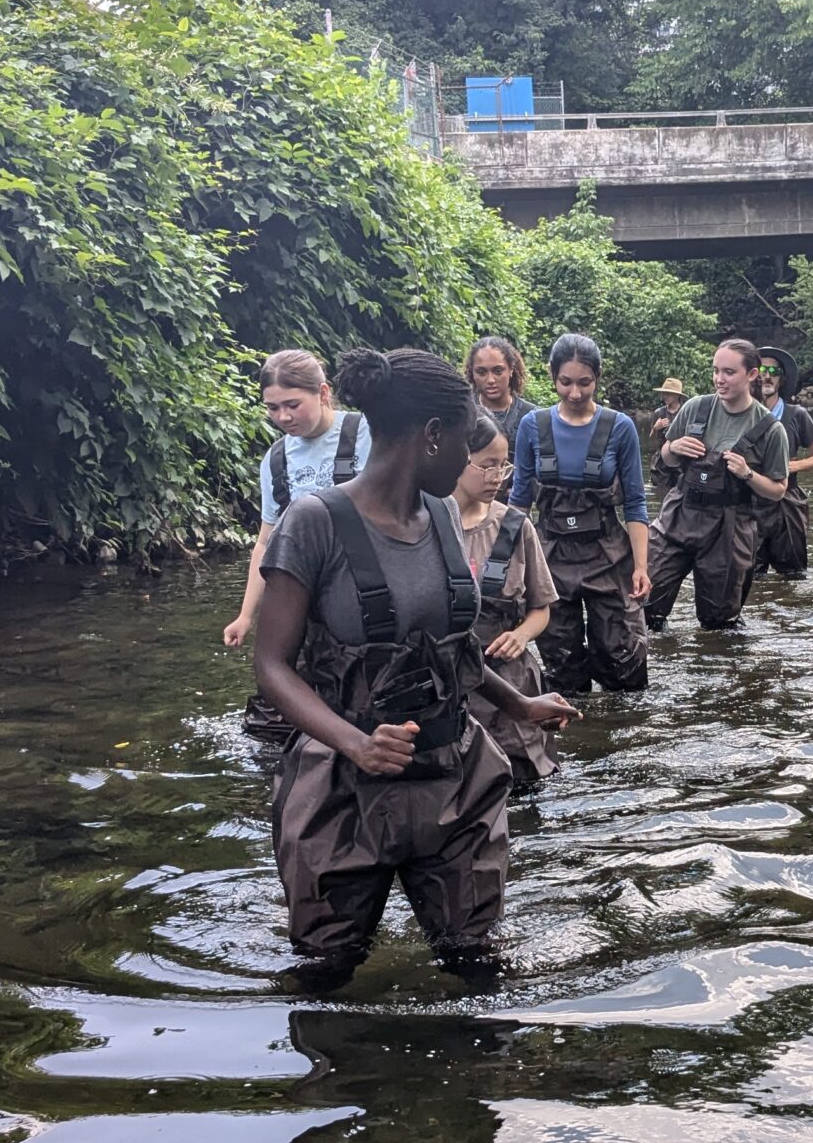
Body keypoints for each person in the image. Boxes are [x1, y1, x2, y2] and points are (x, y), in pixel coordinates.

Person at [252, 348, 577, 988]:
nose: (468, 461)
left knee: (479, 969)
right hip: (342, 791)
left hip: (456, 778)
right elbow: (271, 666)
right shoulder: (312, 523)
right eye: (462, 442)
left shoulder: (443, 516)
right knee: (325, 977)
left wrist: (520, 708)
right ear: (432, 436)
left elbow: (448, 648)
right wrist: (355, 743)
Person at [227, 350, 374, 747]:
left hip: (366, 583)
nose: (283, 417)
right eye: (273, 408)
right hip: (305, 591)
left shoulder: (367, 433)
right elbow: (266, 542)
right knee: (280, 708)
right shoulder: (275, 459)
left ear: (323, 392)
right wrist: (246, 616)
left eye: (293, 405)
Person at [511, 334, 653, 695]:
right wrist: (509, 563)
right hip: (549, 557)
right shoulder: (532, 426)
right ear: (552, 376)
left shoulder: (620, 427)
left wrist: (641, 567)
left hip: (608, 554)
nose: (575, 393)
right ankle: (576, 734)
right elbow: (519, 501)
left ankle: (624, 737)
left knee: (621, 658)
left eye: (584, 382)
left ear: (598, 378)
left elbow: (635, 502)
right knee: (561, 664)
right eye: (566, 382)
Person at [648, 337, 790, 629]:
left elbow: (778, 490)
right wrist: (673, 448)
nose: (719, 379)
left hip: (729, 528)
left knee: (718, 625)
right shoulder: (695, 408)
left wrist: (747, 474)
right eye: (715, 371)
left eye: (728, 372)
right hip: (678, 516)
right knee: (644, 605)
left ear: (752, 374)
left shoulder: (771, 429)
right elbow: (667, 459)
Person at [455, 411, 561, 793]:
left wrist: (521, 635)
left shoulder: (515, 526)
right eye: (486, 466)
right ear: (455, 459)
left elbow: (541, 608)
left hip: (511, 676)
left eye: (503, 466)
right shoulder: (424, 524)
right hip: (451, 679)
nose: (497, 477)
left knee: (525, 785)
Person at [750, 354, 813, 581]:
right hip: (750, 501)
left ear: (781, 380)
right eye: (762, 370)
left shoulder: (796, 415)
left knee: (794, 576)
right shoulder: (741, 414)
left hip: (787, 501)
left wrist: (792, 466)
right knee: (750, 576)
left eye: (773, 372)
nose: (767, 376)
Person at [466, 336, 539, 442]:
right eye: (481, 372)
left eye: (498, 371)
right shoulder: (463, 413)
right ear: (472, 373)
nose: (490, 380)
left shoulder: (533, 417)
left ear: (511, 370)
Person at [646, 377, 687, 497]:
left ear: (677, 395)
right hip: (661, 462)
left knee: (680, 492)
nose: (665, 396)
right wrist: (655, 428)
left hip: (680, 459)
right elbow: (651, 440)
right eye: (664, 393)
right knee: (661, 493)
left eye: (669, 394)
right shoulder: (659, 413)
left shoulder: (685, 411)